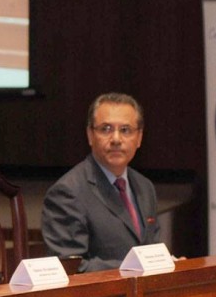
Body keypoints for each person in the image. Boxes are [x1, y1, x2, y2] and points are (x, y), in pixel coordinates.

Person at [41, 92, 161, 272]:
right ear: (90, 135)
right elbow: (72, 268)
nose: (116, 139)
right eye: (106, 129)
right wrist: (135, 269)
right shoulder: (67, 192)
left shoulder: (145, 187)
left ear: (139, 138)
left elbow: (151, 251)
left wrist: (168, 263)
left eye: (125, 130)